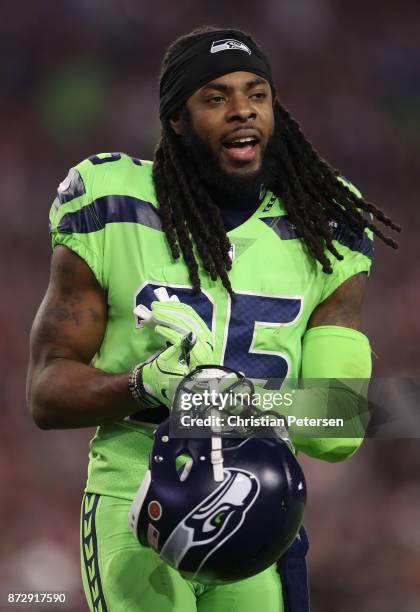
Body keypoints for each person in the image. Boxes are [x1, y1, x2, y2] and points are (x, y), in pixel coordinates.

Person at [26, 26, 399, 612]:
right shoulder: (112, 203)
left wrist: (216, 402)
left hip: (261, 505)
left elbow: (340, 421)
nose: (243, 110)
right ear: (177, 119)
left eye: (257, 93)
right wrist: (143, 383)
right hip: (138, 492)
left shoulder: (325, 225)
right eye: (216, 97)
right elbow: (45, 392)